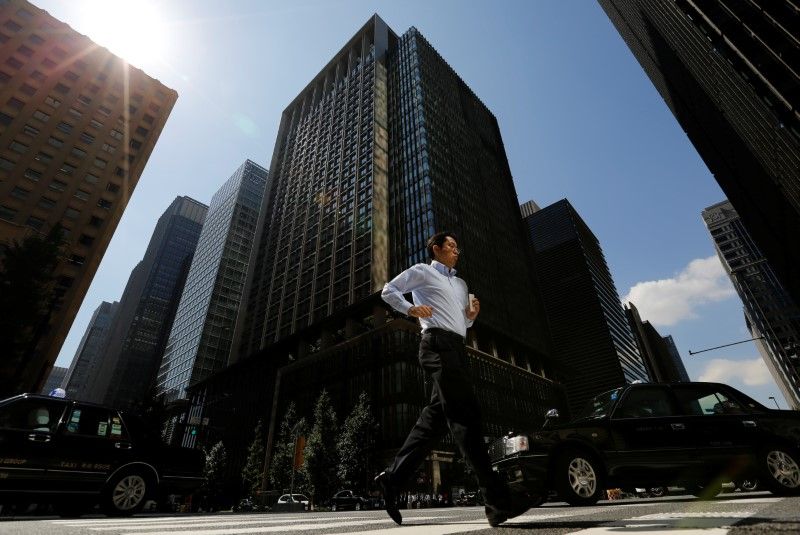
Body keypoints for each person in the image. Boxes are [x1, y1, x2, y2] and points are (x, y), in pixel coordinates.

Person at [375, 231, 529, 527]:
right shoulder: (422, 272)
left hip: (458, 348)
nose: (457, 251)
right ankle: (496, 499)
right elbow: (388, 291)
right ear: (436, 249)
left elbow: (462, 322)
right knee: (465, 414)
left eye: (458, 247)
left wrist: (470, 316)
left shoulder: (460, 284)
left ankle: (392, 479)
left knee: (433, 422)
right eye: (451, 246)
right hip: (436, 344)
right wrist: (410, 308)